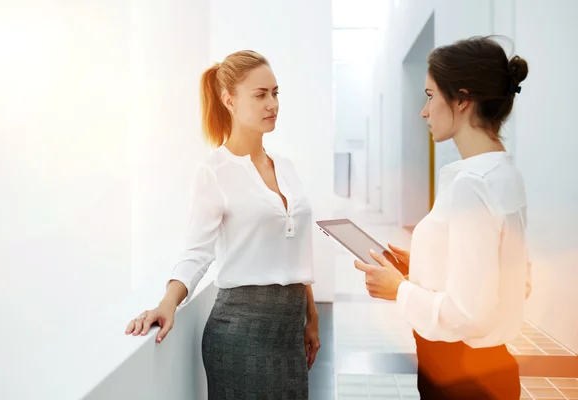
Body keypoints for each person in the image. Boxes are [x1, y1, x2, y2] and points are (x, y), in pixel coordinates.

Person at [124, 50, 320, 399]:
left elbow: (295, 250)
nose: (272, 103)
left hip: (289, 331)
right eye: (260, 95)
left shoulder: (286, 166)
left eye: (275, 93)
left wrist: (311, 316)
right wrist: (167, 303)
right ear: (229, 100)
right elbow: (197, 251)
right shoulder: (214, 171)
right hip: (240, 334)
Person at [354, 36, 530, 399]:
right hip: (485, 372)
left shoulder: (473, 186)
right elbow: (503, 276)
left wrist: (399, 289)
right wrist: (421, 268)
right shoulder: (502, 173)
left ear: (462, 99)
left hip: (462, 378)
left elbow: (469, 314)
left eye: (431, 95)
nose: (424, 110)